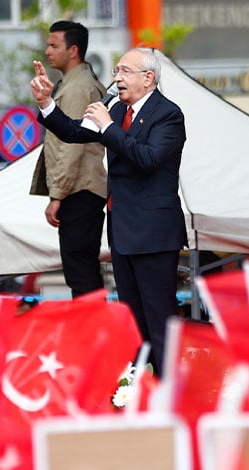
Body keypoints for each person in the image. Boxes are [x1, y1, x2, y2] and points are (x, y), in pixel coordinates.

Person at [31, 47, 186, 375]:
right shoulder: (115, 111)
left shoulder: (168, 114)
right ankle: (137, 386)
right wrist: (47, 103)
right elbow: (74, 132)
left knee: (160, 319)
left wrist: (107, 127)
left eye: (124, 71)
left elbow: (148, 158)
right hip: (122, 231)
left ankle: (170, 389)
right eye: (116, 70)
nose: (116, 78)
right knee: (131, 319)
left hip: (155, 235)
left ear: (148, 78)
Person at [29, 20, 109, 298]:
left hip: (80, 191)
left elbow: (70, 146)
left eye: (54, 45)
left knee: (81, 274)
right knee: (82, 270)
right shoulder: (72, 84)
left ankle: (93, 336)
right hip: (82, 189)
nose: (47, 51)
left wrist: (57, 196)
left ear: (73, 50)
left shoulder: (78, 89)